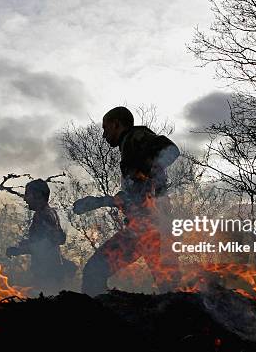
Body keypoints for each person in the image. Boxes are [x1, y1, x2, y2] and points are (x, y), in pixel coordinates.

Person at [75, 106, 181, 296]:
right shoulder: (129, 146)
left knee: (94, 271)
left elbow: (171, 150)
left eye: (105, 128)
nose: (104, 135)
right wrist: (98, 202)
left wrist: (147, 171)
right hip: (143, 231)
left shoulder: (135, 137)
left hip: (150, 230)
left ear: (117, 124)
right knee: (171, 290)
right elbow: (132, 197)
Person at [7, 179, 76, 294]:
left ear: (38, 195)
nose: (25, 199)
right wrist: (28, 242)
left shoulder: (44, 215)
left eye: (28, 194)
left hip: (48, 275)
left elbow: (47, 244)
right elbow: (49, 241)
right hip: (48, 272)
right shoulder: (47, 213)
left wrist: (19, 250)